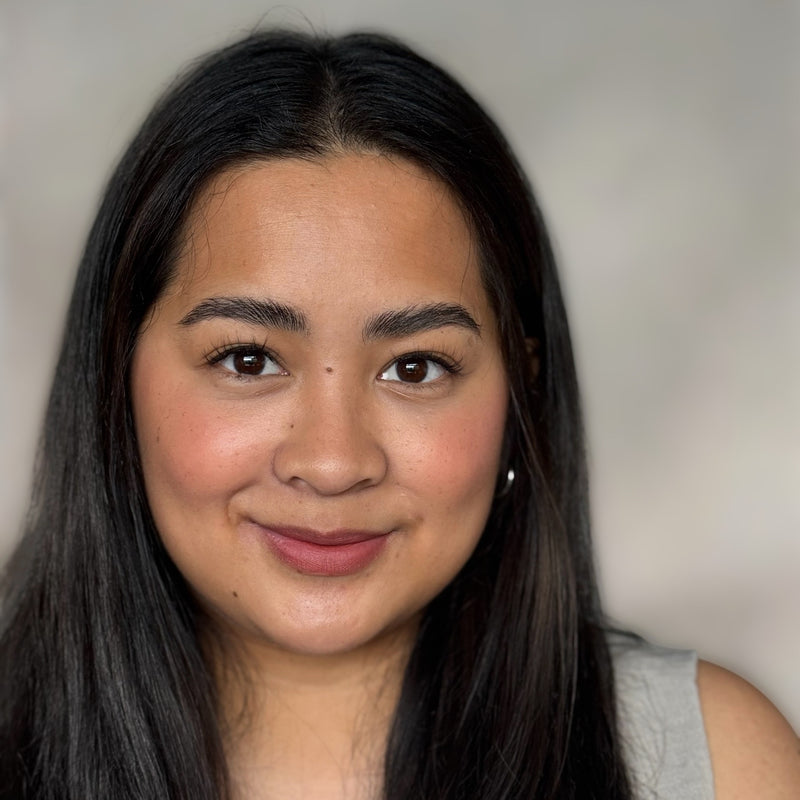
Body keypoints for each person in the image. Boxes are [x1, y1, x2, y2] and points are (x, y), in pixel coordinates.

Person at [0, 29, 797, 800]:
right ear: (115, 375)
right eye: (249, 360)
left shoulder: (709, 764)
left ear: (519, 388)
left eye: (415, 368)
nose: (334, 461)